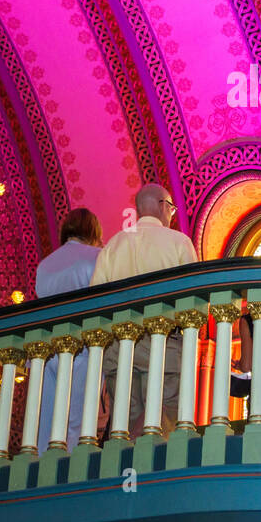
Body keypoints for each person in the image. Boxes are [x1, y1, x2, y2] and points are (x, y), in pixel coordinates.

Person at [92, 184, 199, 439]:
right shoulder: (179, 242)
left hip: (120, 348)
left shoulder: (114, 245)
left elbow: (95, 299)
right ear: (163, 206)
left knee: (125, 425)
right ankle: (159, 478)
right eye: (171, 209)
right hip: (165, 348)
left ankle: (128, 475)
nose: (171, 215)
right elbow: (194, 302)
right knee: (164, 423)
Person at [35, 208, 103, 453]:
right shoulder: (97, 257)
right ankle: (68, 475)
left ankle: (42, 473)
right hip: (82, 349)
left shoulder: (44, 264)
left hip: (45, 351)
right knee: (77, 420)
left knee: (46, 421)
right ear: (94, 231)